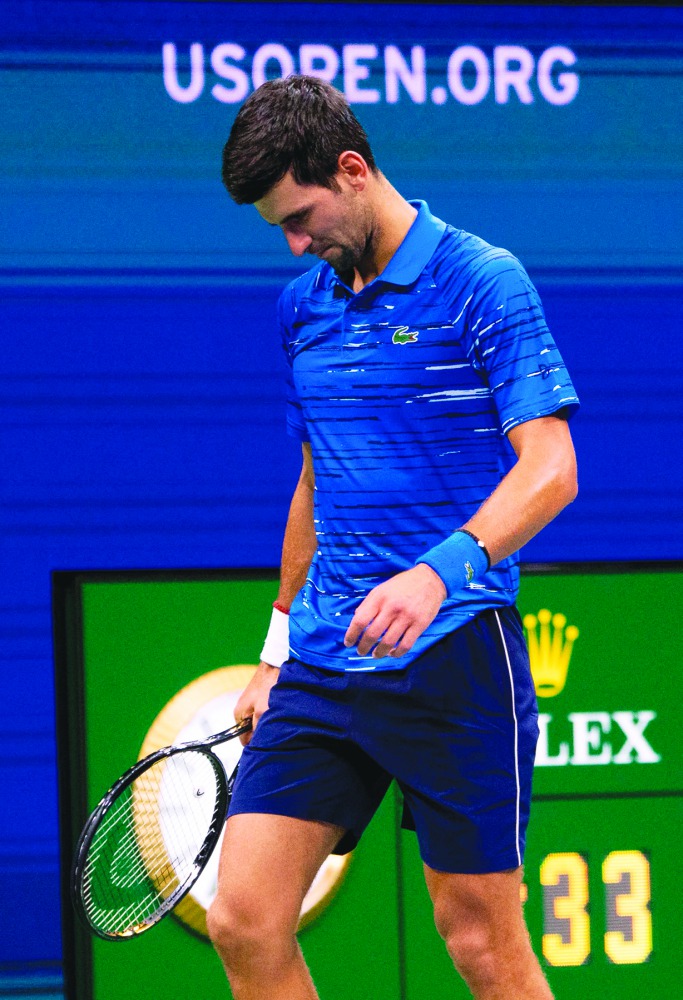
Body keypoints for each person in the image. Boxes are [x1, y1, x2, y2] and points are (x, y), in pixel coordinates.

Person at [208, 75, 579, 1000]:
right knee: (246, 921)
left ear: (351, 168)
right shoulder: (303, 307)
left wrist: (435, 575)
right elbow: (313, 479)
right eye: (278, 230)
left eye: (301, 216)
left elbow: (551, 468)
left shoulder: (481, 280)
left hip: (450, 658)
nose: (295, 244)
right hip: (325, 664)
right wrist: (274, 648)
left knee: (481, 948)